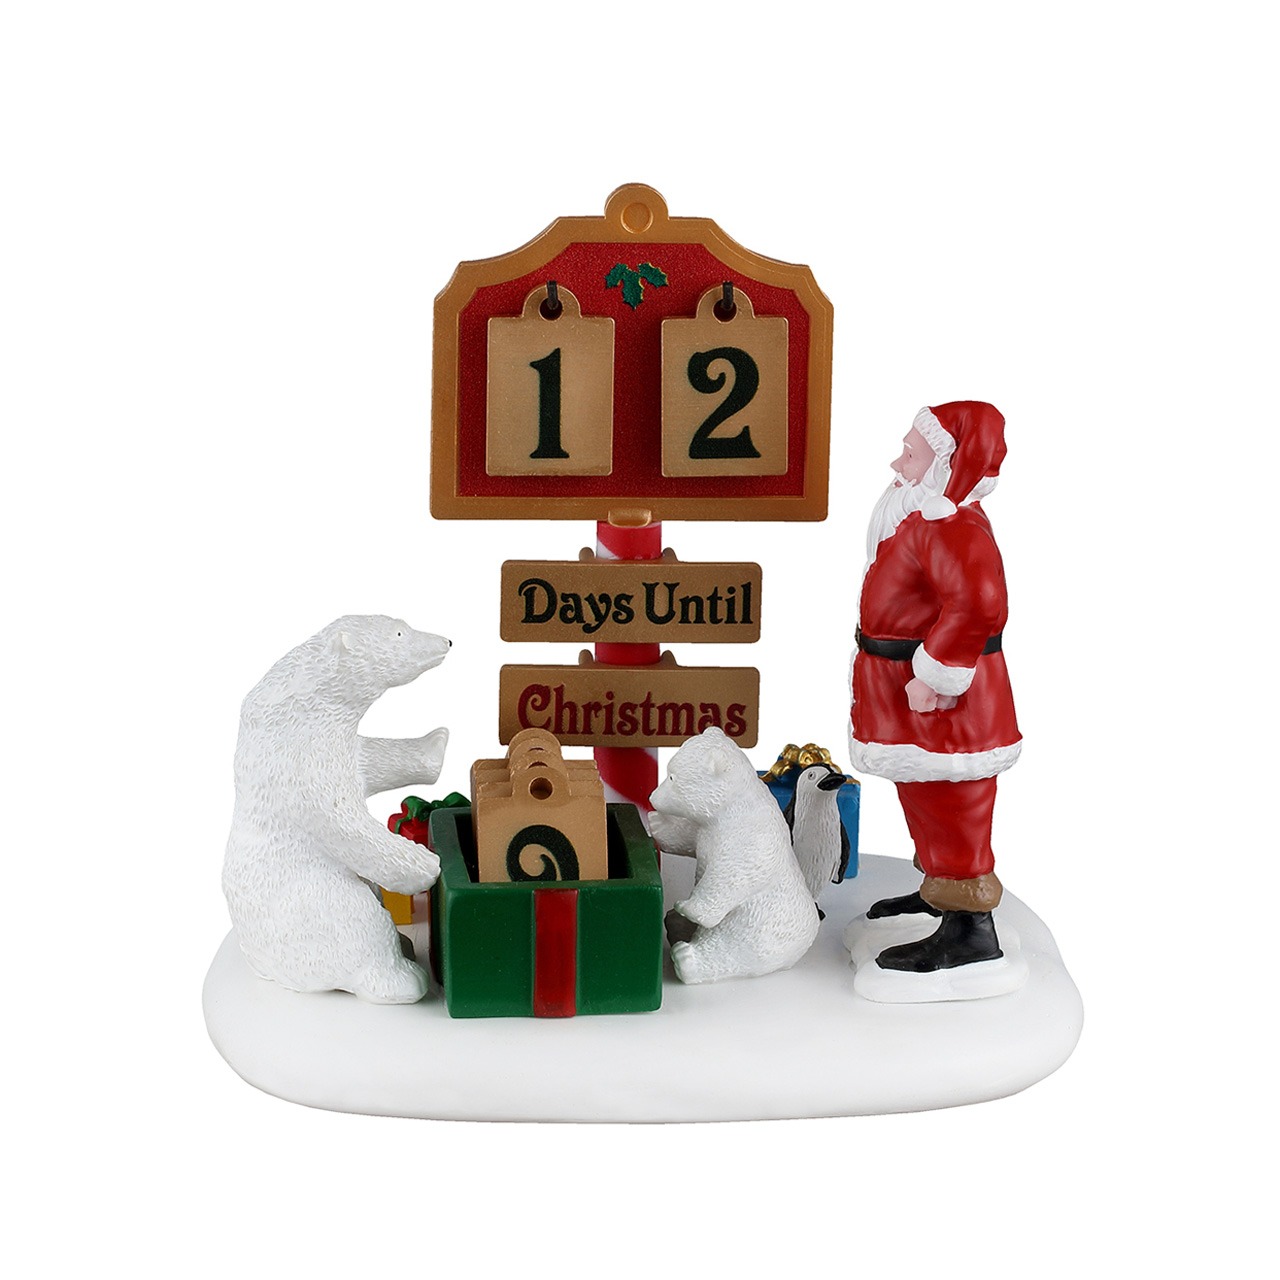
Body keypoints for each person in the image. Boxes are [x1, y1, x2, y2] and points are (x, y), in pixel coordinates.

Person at [850, 402, 1020, 973]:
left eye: (911, 454)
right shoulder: (920, 517)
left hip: (944, 699)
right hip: (901, 682)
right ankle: (938, 890)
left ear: (946, 464)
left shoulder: (950, 525)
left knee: (953, 801)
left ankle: (969, 928)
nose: (897, 464)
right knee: (922, 791)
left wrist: (934, 676)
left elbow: (979, 603)